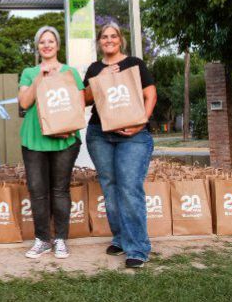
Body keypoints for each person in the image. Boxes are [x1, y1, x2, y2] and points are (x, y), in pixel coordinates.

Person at [83, 22, 157, 268]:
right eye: (104, 36)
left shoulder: (135, 63)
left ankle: (137, 248)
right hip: (99, 134)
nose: (109, 40)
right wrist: (100, 79)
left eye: (113, 36)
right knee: (110, 187)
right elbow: (84, 100)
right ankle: (121, 238)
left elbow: (150, 94)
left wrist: (142, 121)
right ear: (99, 41)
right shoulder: (94, 68)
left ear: (120, 39)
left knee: (128, 188)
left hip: (133, 134)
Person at [17, 26, 84, 260]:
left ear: (57, 45)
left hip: (64, 141)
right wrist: (39, 77)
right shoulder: (28, 72)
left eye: (50, 41)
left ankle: (61, 239)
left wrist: (70, 129)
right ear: (37, 47)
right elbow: (24, 103)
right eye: (42, 42)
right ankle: (42, 239)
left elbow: (79, 104)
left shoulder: (70, 72)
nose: (46, 45)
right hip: (34, 139)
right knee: (37, 191)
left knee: (60, 190)